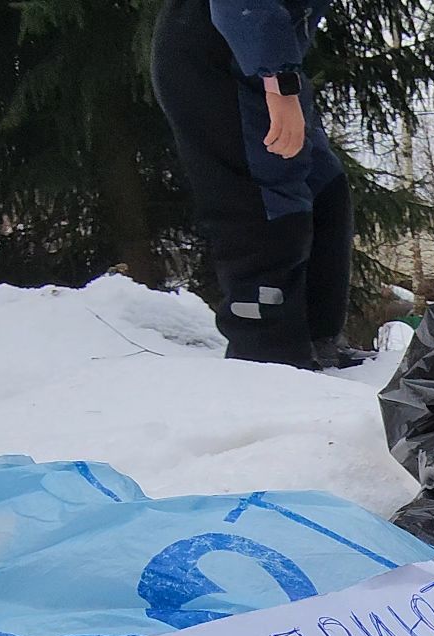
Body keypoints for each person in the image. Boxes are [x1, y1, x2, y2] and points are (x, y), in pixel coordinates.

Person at [151, 0, 369, 369]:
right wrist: (280, 82)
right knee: (264, 198)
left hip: (262, 65)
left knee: (324, 185)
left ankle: (320, 341)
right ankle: (267, 355)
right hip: (220, 63)